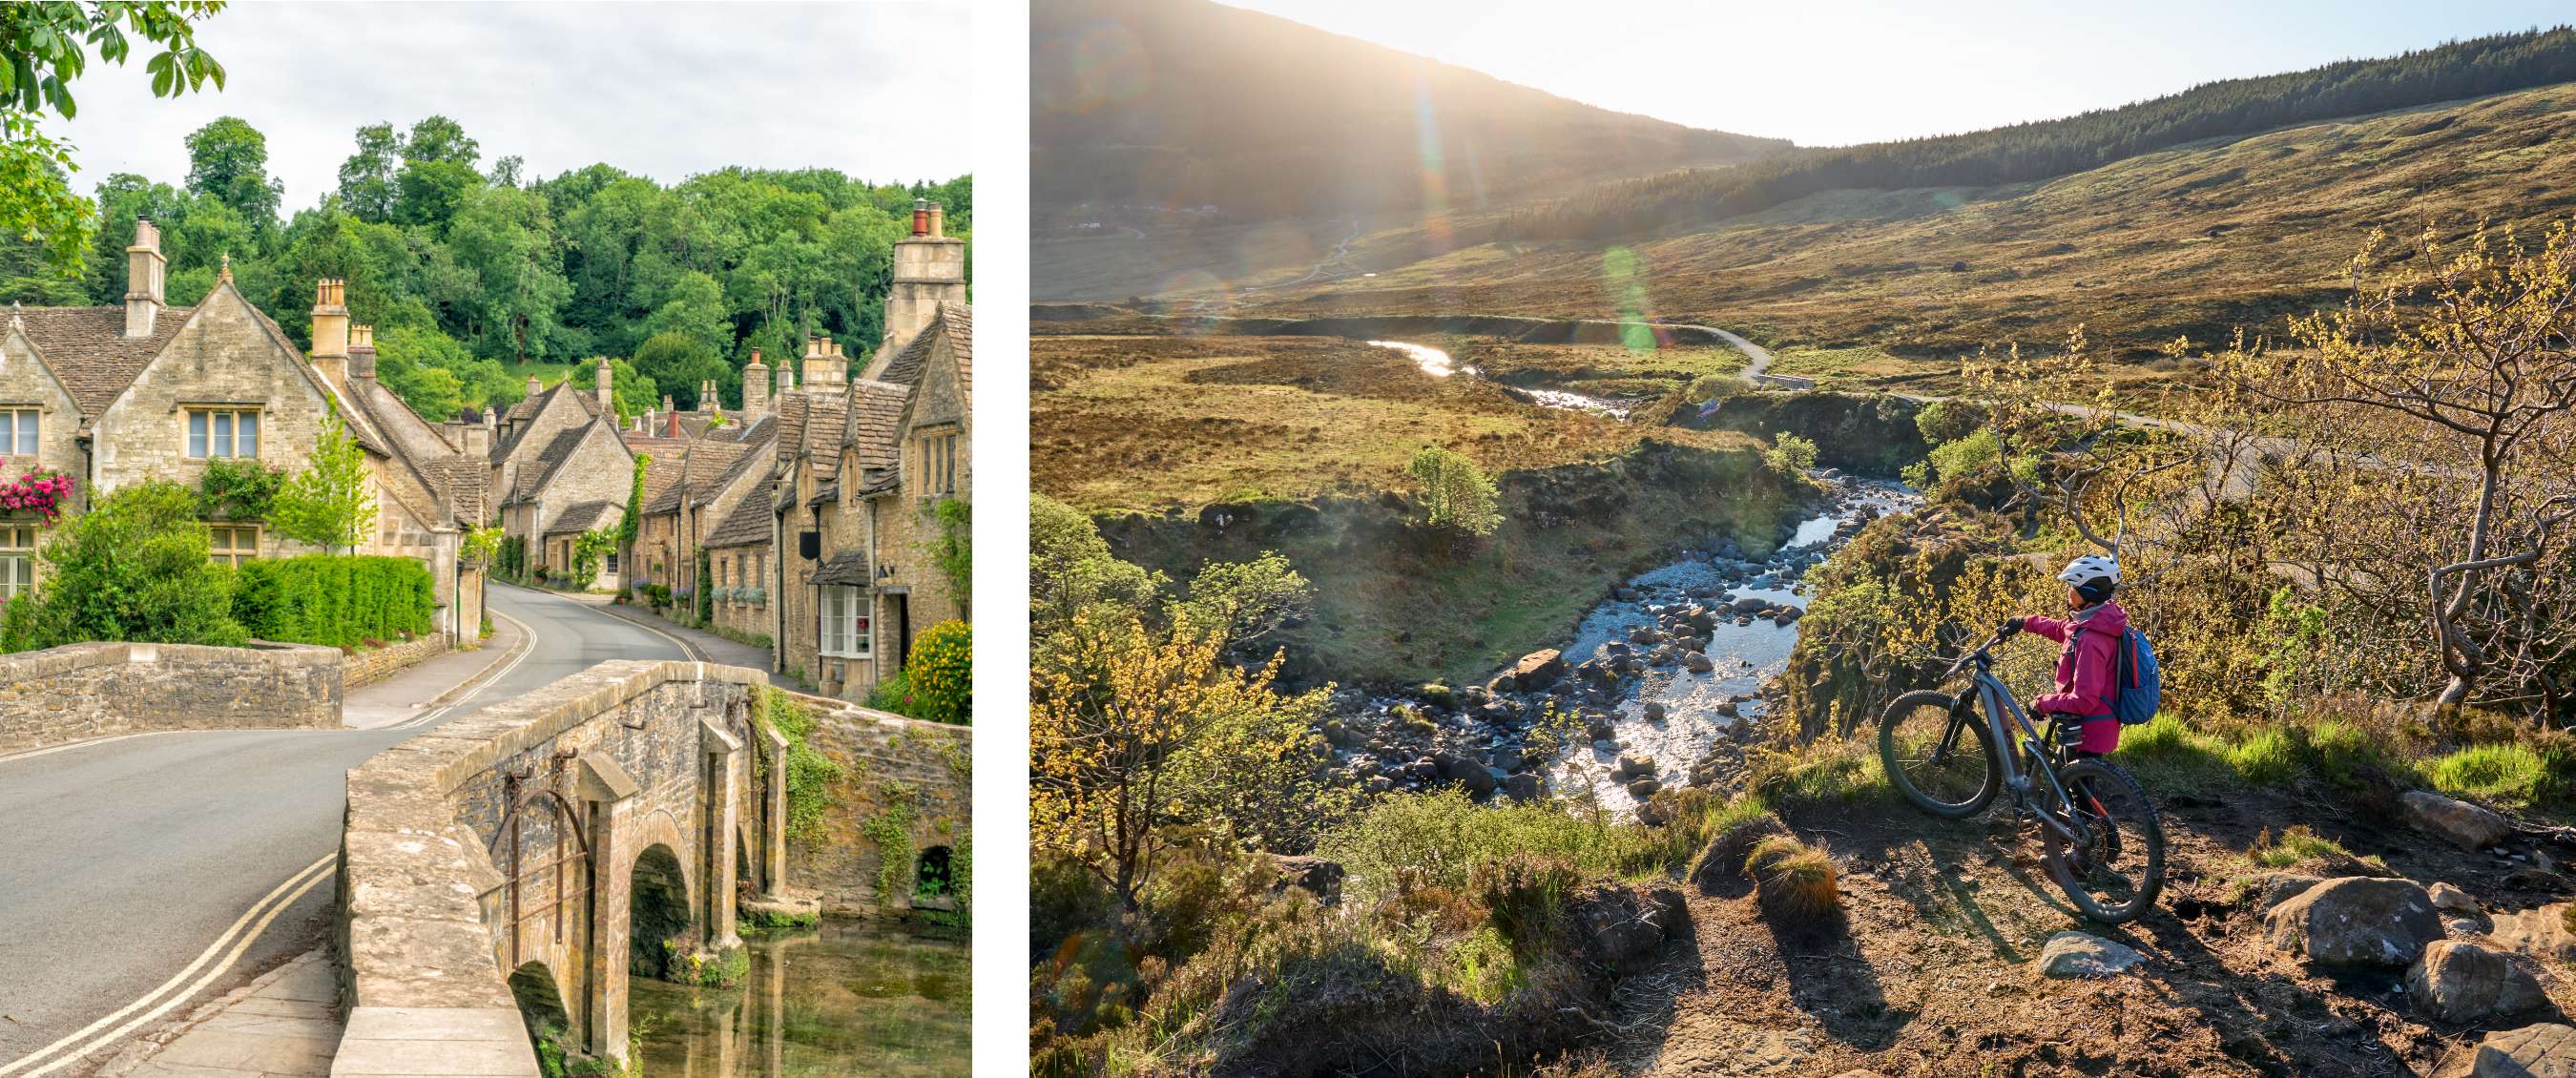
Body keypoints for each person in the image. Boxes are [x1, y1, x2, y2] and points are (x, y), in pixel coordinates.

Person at [1999, 554, 2129, 759]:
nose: (2068, 591)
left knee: (2078, 786)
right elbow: (2063, 629)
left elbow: (2083, 701)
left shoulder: (2091, 640)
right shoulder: (2099, 619)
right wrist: (2026, 622)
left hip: (2088, 729)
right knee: (2070, 776)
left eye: (2071, 586)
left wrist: (2043, 703)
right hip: (2092, 722)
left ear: (2088, 592)